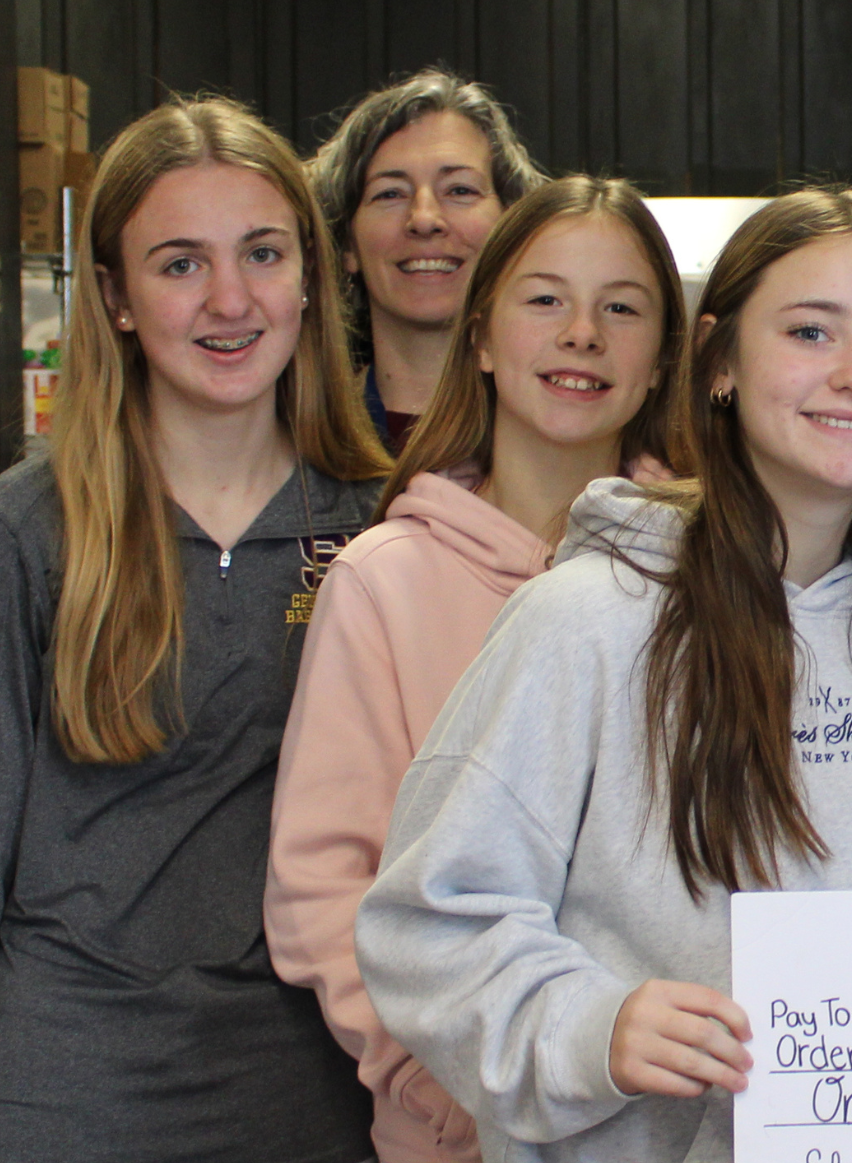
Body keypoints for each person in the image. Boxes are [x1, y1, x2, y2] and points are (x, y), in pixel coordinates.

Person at [356, 187, 852, 1163]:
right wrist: (591, 1028)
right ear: (719, 360)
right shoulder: (584, 621)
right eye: (812, 331)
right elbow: (427, 926)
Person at [0, 97, 394, 1163]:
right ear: (116, 297)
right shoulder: (25, 532)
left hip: (312, 1085)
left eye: (263, 253)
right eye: (179, 264)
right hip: (69, 1087)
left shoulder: (379, 526)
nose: (230, 298)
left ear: (311, 274)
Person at [269, 174, 688, 1163]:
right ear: (484, 338)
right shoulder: (383, 579)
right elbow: (322, 881)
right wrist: (433, 1074)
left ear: (665, 355)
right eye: (545, 299)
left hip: (678, 1124)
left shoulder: (727, 577)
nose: (582, 332)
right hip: (459, 1127)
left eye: (621, 307)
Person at [313, 67, 550, 448]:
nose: (424, 219)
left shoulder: (575, 439)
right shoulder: (296, 445)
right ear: (347, 246)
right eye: (390, 194)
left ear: (514, 228)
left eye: (459, 190)